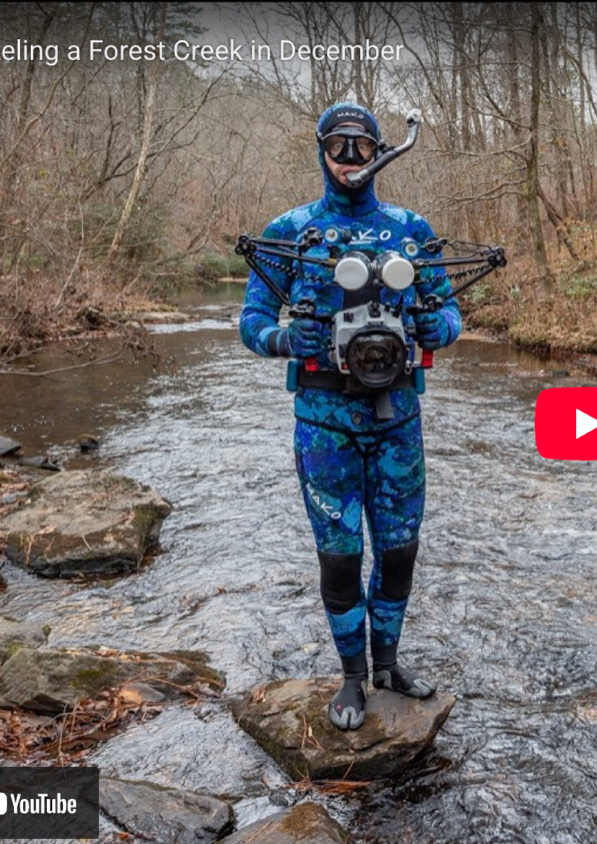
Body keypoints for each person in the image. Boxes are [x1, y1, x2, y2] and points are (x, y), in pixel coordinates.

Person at [239, 102, 462, 730]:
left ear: (380, 151)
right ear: (320, 151)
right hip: (323, 424)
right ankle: (352, 678)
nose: (350, 160)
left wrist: (432, 328)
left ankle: (389, 663)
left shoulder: (410, 230)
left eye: (363, 147)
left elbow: (451, 314)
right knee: (339, 557)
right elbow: (251, 322)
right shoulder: (290, 231)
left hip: (398, 422)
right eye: (338, 147)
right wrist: (286, 342)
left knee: (399, 552)